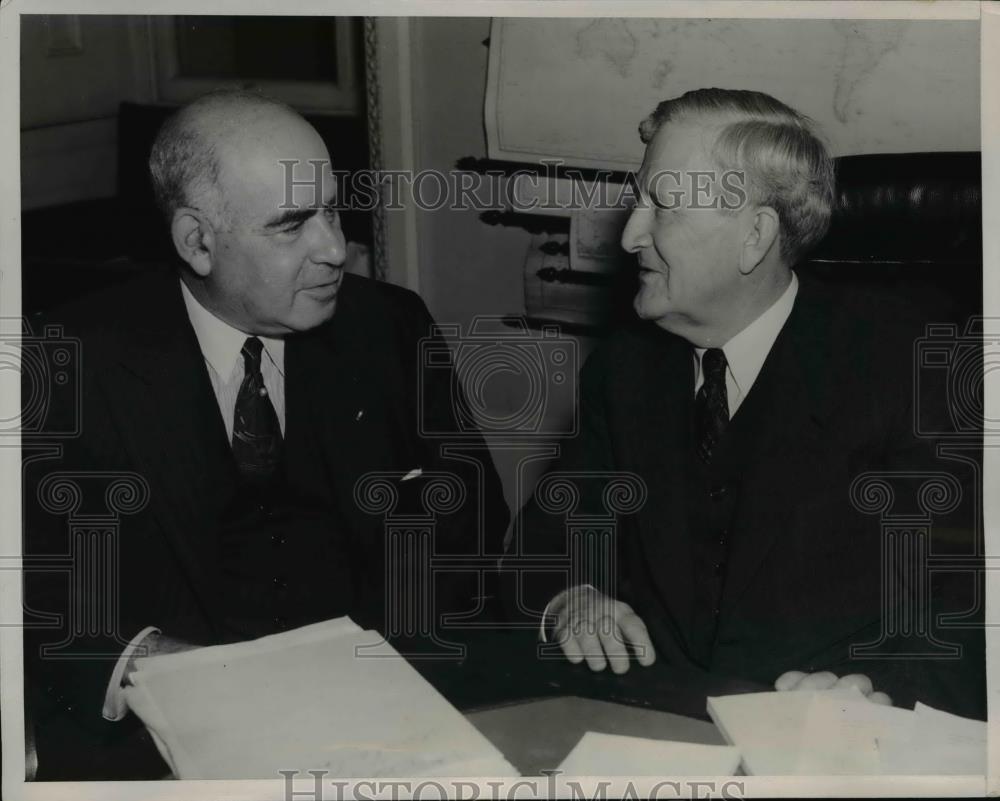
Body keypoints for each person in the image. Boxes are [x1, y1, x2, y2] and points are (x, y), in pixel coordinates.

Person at [22, 90, 508, 779]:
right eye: (291, 225)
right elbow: (29, 586)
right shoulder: (65, 359)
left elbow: (475, 526)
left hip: (377, 727)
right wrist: (140, 661)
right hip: (156, 753)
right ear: (196, 241)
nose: (336, 249)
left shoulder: (389, 328)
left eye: (334, 211)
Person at [516, 88, 983, 719]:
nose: (630, 236)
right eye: (638, 202)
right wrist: (571, 596)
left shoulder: (914, 369)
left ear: (754, 236)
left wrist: (878, 689)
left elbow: (965, 605)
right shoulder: (626, 369)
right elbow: (547, 538)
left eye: (664, 208)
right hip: (657, 722)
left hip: (835, 738)